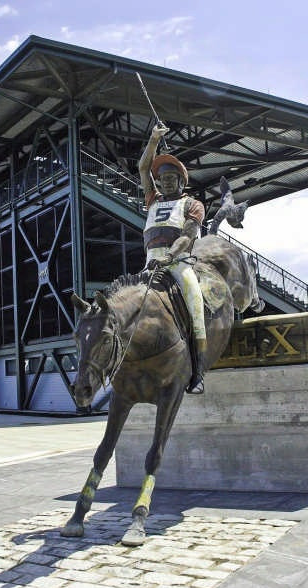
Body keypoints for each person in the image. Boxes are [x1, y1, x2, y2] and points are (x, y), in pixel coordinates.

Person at [138, 123, 207, 394]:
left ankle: (198, 374)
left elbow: (188, 236)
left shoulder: (192, 204)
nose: (165, 181)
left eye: (171, 177)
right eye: (162, 178)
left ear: (181, 181)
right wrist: (154, 138)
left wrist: (169, 257)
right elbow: (143, 167)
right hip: (149, 264)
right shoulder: (152, 200)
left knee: (195, 307)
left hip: (178, 264)